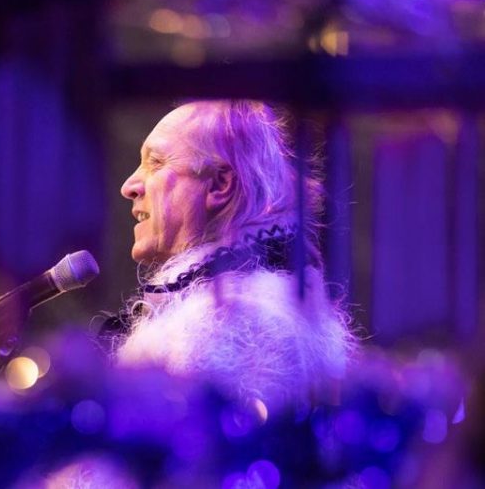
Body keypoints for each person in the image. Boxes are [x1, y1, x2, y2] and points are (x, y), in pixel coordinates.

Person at [102, 99, 354, 413]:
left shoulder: (234, 319)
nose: (129, 186)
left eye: (155, 162)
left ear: (220, 184)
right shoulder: (247, 306)